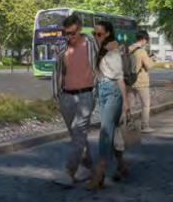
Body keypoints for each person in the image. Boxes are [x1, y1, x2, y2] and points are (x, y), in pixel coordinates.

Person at [52, 14, 96, 185]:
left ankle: (70, 171)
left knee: (78, 131)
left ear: (80, 28)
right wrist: (57, 95)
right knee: (77, 136)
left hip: (86, 95)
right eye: (66, 33)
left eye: (71, 33)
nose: (68, 37)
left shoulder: (92, 44)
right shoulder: (63, 47)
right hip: (66, 96)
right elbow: (58, 72)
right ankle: (89, 168)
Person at [91, 31, 130, 190]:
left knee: (106, 131)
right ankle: (122, 165)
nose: (95, 37)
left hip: (114, 91)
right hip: (102, 91)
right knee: (112, 130)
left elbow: (120, 77)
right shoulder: (99, 54)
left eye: (99, 35)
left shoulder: (114, 54)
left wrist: (126, 101)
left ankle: (100, 174)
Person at [130, 31, 155, 133]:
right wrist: (152, 59)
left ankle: (128, 125)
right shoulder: (141, 51)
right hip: (141, 82)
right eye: (146, 40)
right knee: (145, 105)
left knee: (129, 105)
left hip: (129, 81)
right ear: (143, 39)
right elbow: (148, 66)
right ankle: (145, 126)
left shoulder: (128, 49)